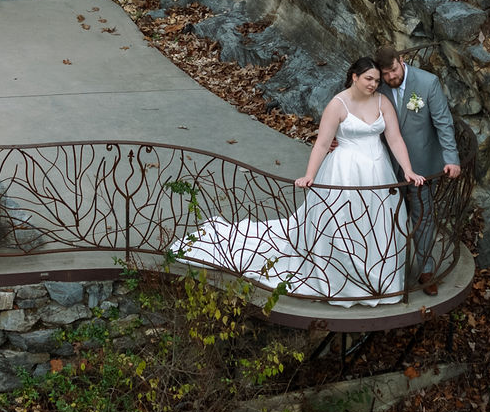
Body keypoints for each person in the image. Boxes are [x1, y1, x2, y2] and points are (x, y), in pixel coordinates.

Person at [172, 57, 425, 307]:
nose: (373, 84)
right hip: (344, 171)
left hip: (378, 171)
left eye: (377, 80)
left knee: (379, 223)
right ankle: (342, 282)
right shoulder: (338, 105)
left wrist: (408, 170)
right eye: (368, 79)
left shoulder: (383, 103)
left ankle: (380, 282)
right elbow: (323, 143)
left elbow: (394, 139)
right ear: (355, 77)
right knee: (343, 223)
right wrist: (310, 175)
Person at [375, 44, 460, 296]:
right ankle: (389, 270)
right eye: (385, 73)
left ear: (401, 60)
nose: (391, 77)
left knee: (422, 217)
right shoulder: (376, 86)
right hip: (386, 166)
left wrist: (451, 158)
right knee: (386, 218)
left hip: (421, 166)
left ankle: (426, 270)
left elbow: (444, 123)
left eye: (393, 70)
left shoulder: (427, 83)